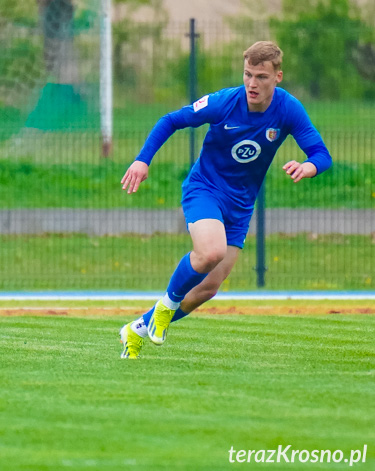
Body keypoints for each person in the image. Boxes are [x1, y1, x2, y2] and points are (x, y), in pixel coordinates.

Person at [119, 41, 332, 359]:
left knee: (207, 288)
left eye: (261, 76)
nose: (252, 83)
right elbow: (170, 120)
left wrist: (308, 166)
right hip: (205, 189)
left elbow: (322, 155)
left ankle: (136, 328)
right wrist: (142, 160)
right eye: (248, 74)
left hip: (241, 206)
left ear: (278, 77)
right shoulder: (223, 102)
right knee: (210, 252)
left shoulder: (288, 109)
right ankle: (165, 306)